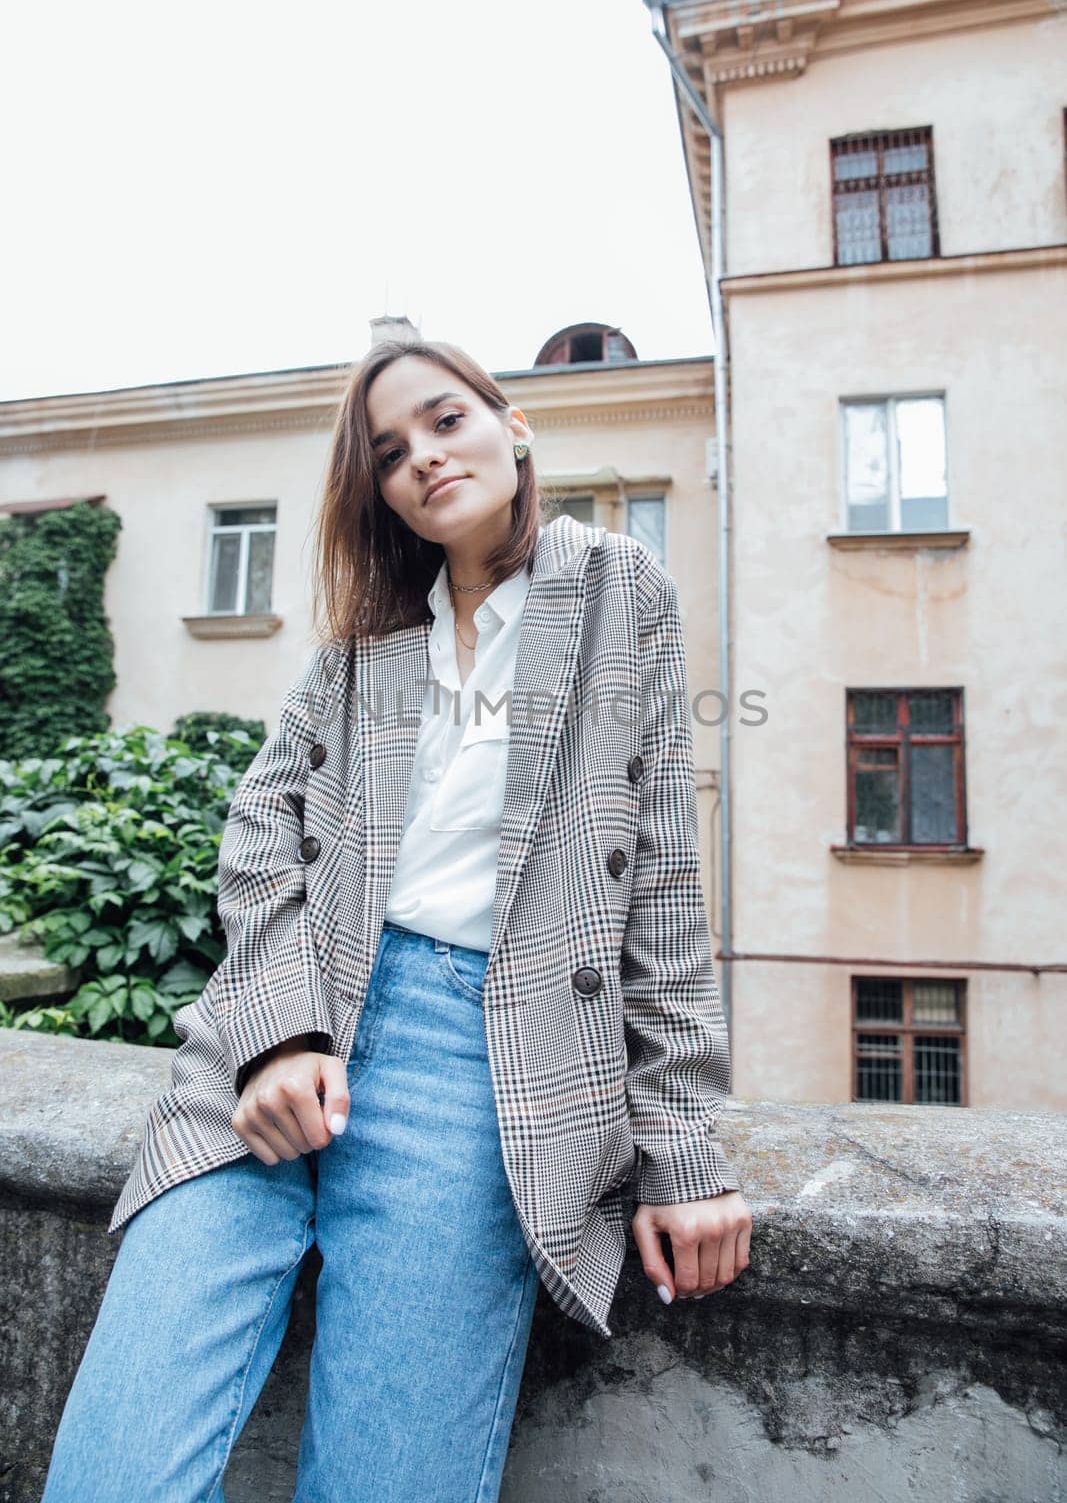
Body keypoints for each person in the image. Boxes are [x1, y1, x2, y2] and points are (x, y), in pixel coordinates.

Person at [41, 338, 752, 1502]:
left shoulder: (621, 587)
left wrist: (682, 1149)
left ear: (510, 425)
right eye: (389, 453)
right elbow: (259, 828)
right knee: (110, 1479)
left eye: (443, 420)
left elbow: (660, 878)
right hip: (277, 1049)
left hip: (476, 1068)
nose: (423, 457)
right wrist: (278, 1029)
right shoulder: (364, 645)